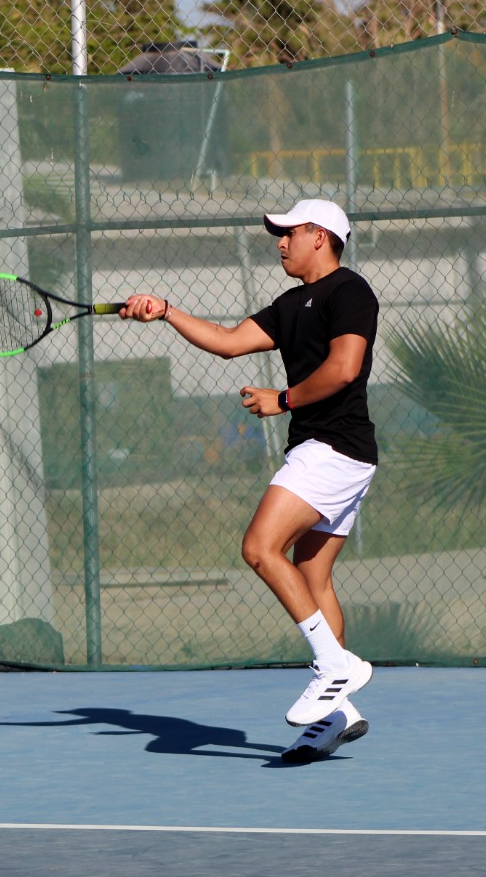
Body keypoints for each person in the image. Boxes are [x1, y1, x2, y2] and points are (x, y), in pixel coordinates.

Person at [121, 199, 379, 763]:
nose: (280, 243)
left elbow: (344, 369)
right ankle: (335, 716)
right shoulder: (290, 304)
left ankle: (335, 667)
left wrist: (282, 400)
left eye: (289, 233)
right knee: (312, 578)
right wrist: (165, 311)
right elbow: (228, 341)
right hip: (334, 452)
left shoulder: (349, 292)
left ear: (320, 235)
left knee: (260, 547)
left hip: (333, 449)